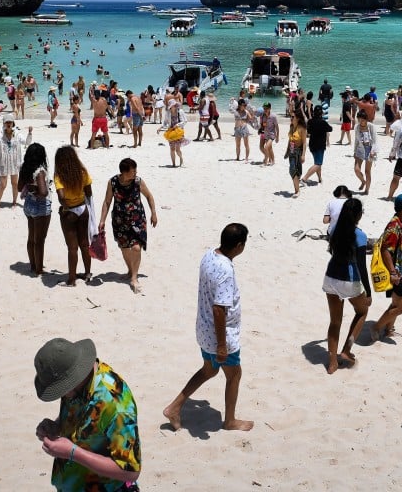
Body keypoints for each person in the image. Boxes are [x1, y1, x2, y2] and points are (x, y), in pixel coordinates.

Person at [163, 223, 253, 432]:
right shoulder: (226, 270)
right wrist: (222, 345)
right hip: (220, 335)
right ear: (239, 246)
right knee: (234, 375)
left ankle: (174, 408)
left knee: (209, 370)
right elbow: (219, 309)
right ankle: (230, 421)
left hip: (203, 329)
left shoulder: (209, 255)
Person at [34, 337, 141, 491]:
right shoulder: (77, 381)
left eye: (59, 390)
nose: (60, 395)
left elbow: (130, 472)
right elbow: (85, 418)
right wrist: (57, 426)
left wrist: (72, 453)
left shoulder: (116, 406)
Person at [321, 198, 371, 373]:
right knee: (362, 311)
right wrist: (368, 291)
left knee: (335, 322)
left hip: (331, 277)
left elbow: (333, 252)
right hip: (349, 280)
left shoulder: (334, 228)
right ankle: (346, 349)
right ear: (358, 215)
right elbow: (362, 266)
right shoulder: (360, 235)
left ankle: (332, 363)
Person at [98, 158, 158, 294]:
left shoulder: (138, 181)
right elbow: (107, 202)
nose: (135, 173)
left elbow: (149, 196)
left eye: (136, 170)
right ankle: (130, 271)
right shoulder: (113, 182)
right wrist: (102, 220)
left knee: (136, 248)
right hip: (120, 221)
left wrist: (153, 213)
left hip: (137, 220)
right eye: (133, 171)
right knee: (124, 248)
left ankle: (134, 278)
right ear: (124, 172)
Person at [371, 194, 402, 341]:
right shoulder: (394, 227)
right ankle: (376, 327)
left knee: (396, 304)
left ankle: (388, 330)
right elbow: (385, 250)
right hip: (396, 272)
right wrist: (392, 272)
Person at [54, 145, 94, 285]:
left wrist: (65, 208)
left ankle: (71, 279)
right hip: (83, 209)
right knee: (84, 244)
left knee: (72, 248)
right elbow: (89, 192)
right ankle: (87, 273)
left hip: (70, 212)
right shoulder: (82, 172)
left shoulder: (59, 175)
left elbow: (61, 197)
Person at [18, 142, 53, 275]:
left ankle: (33, 266)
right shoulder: (40, 171)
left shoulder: (24, 168)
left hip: (28, 204)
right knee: (40, 240)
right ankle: (39, 269)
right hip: (40, 205)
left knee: (31, 238)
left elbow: (19, 188)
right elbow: (44, 192)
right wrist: (37, 191)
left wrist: (31, 189)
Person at [0, 115, 32, 208]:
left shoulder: (18, 135)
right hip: (3, 164)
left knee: (14, 184)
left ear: (13, 123)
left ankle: (14, 202)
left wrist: (30, 133)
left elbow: (27, 142)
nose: (8, 124)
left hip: (14, 163)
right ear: (4, 123)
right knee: (3, 185)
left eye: (10, 122)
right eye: (6, 122)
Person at [302, 104, 332, 185]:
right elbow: (330, 129)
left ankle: (319, 178)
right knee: (318, 164)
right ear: (321, 113)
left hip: (312, 145)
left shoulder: (310, 121)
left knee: (317, 162)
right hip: (320, 146)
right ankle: (304, 178)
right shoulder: (323, 122)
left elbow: (309, 132)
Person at [352, 109, 378, 194]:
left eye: (362, 120)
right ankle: (363, 181)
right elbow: (356, 140)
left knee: (367, 172)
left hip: (370, 150)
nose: (360, 121)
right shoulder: (357, 127)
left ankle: (367, 189)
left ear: (366, 119)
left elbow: (374, 141)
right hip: (360, 149)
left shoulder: (371, 126)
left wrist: (373, 151)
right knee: (356, 169)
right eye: (359, 120)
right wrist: (354, 151)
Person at [285, 113, 307, 197]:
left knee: (296, 171)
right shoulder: (291, 127)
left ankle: (297, 190)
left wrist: (303, 155)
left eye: (293, 117)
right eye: (290, 116)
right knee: (292, 170)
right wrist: (287, 151)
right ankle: (297, 190)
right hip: (291, 151)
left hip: (298, 152)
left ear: (297, 118)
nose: (291, 118)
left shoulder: (302, 128)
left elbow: (304, 143)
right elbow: (290, 140)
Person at [258, 101, 279, 166]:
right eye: (264, 108)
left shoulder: (273, 116)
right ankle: (273, 160)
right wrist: (259, 130)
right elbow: (262, 125)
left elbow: (277, 127)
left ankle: (266, 161)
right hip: (265, 134)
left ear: (270, 108)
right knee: (269, 148)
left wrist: (277, 136)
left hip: (272, 135)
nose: (265, 110)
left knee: (267, 147)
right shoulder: (262, 116)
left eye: (266, 108)